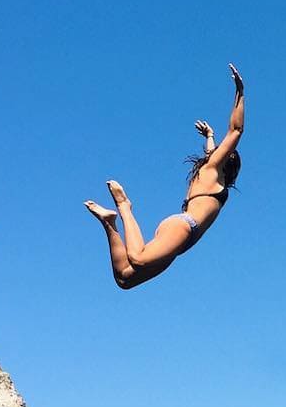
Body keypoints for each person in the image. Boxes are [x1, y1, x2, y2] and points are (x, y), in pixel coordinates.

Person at [85, 64, 244, 290]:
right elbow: (236, 130)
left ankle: (109, 223)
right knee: (138, 258)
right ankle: (124, 206)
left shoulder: (210, 172)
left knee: (125, 278)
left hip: (180, 239)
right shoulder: (213, 172)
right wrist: (240, 92)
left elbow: (211, 151)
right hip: (183, 228)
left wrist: (210, 136)